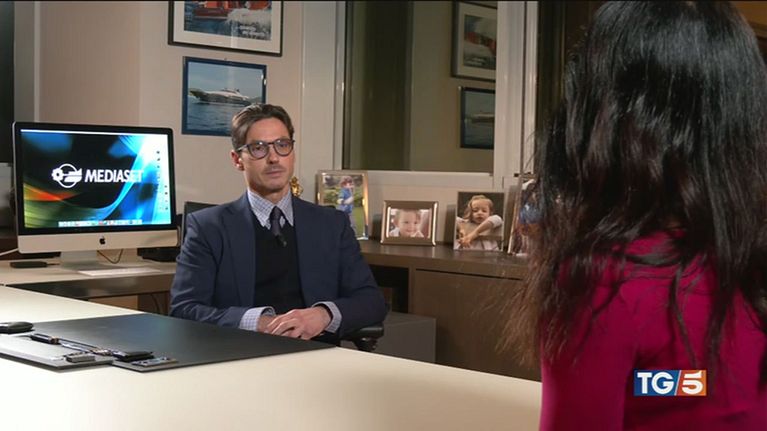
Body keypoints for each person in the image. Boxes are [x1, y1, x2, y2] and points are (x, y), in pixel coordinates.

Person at [503, 2, 767, 430]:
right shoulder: (745, 263)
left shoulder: (605, 280)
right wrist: (649, 385)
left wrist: (653, 385)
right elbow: (690, 385)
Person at [169, 103, 387, 342]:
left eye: (282, 145)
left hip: (317, 355)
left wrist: (323, 315)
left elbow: (371, 301)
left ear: (292, 153)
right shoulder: (208, 227)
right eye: (258, 148)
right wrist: (259, 322)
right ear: (237, 159)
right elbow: (184, 309)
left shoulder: (332, 224)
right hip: (240, 354)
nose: (274, 158)